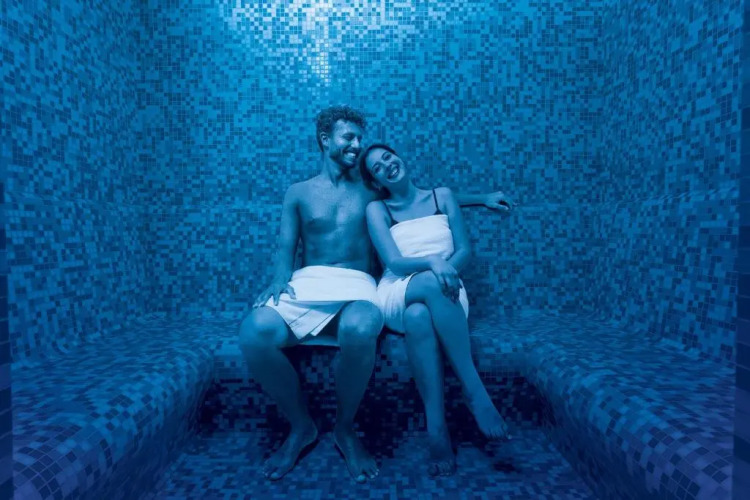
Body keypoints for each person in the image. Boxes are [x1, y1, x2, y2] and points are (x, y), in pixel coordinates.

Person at [238, 105, 515, 483]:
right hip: (309, 279)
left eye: (359, 138)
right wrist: (277, 279)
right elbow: (286, 246)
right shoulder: (298, 193)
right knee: (253, 331)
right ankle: (301, 426)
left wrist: (480, 198)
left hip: (357, 282)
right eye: (348, 137)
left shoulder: (371, 188)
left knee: (362, 325)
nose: (356, 145)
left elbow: (418, 197)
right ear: (325, 140)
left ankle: (344, 429)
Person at [360, 142, 513, 477]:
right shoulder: (378, 209)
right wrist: (433, 263)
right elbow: (394, 263)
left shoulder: (442, 196)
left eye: (388, 157)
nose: (387, 166)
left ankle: (437, 429)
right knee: (427, 287)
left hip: (447, 289)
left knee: (418, 317)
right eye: (377, 168)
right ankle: (475, 391)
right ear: (375, 181)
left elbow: (464, 251)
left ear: (398, 156)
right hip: (398, 289)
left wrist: (446, 272)